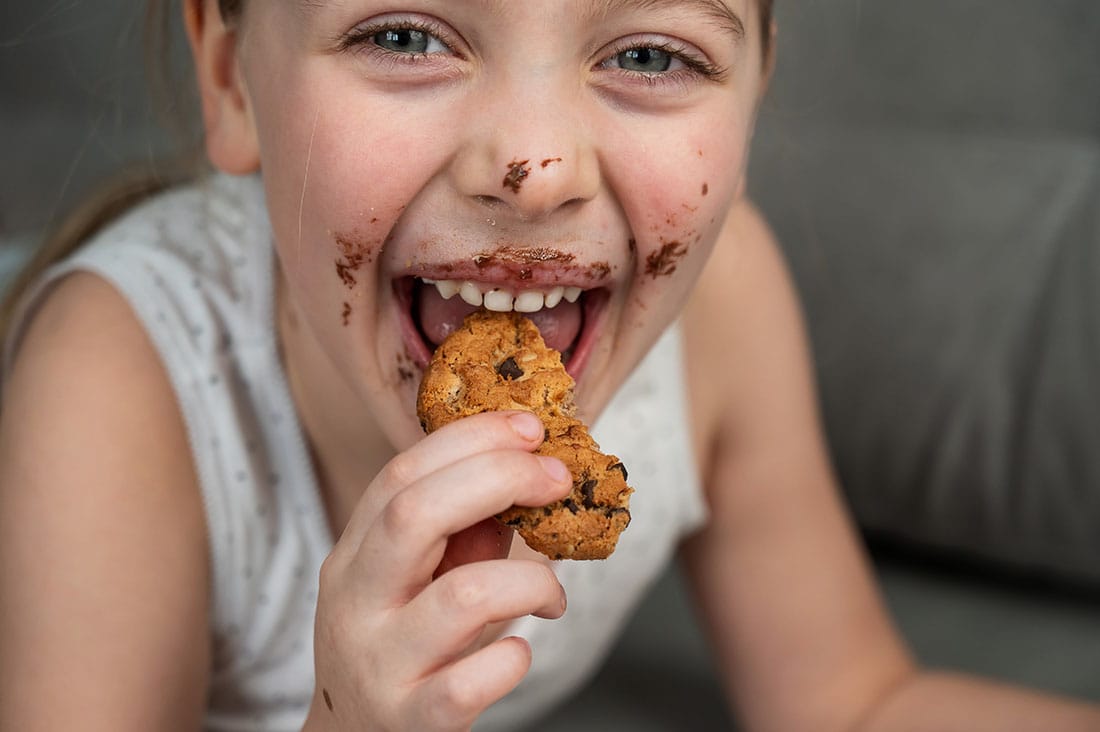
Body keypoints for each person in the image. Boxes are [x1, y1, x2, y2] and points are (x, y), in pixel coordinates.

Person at [0, 1, 1097, 730]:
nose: (534, 168)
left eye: (649, 55)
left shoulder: (722, 306)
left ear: (755, 95)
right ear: (232, 75)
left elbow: (857, 702)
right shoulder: (117, 387)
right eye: (405, 35)